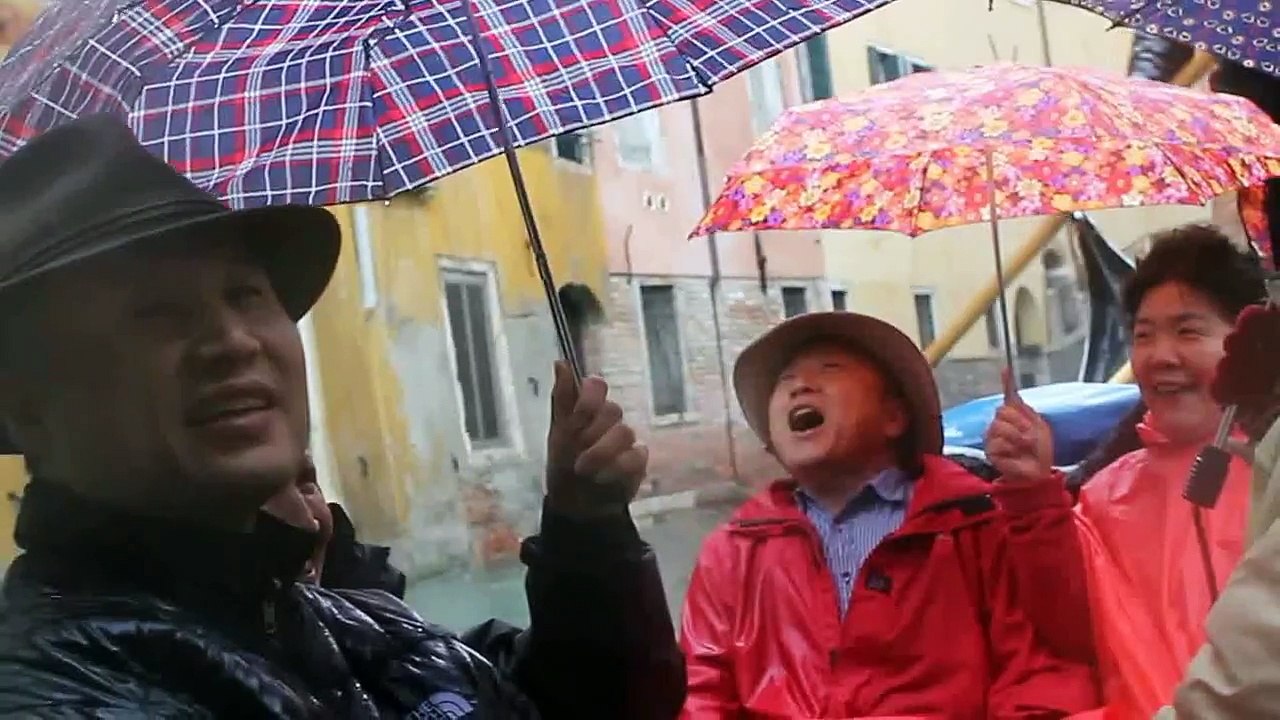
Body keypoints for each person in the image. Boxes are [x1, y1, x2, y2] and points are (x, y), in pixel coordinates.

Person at [0, 114, 685, 718]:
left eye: (246, 293)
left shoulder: (339, 619)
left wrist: (589, 530)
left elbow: (575, 704)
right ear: (30, 408)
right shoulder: (59, 685)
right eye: (155, 314)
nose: (233, 341)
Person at [679, 312, 1098, 718]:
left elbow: (1037, 672)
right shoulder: (733, 552)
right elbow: (702, 690)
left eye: (829, 369)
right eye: (785, 380)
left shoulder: (976, 526)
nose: (800, 387)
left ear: (894, 417)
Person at [985, 224, 1267, 717]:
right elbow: (1073, 632)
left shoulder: (1271, 470)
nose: (1161, 357)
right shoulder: (1106, 493)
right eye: (1143, 335)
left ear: (1246, 345)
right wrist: (1031, 492)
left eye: (1188, 330)